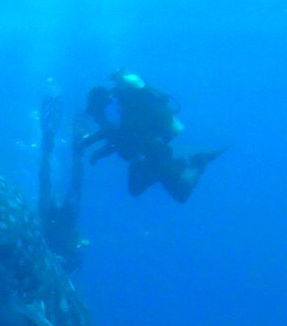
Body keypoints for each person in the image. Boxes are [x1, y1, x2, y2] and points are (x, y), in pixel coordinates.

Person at [81, 71, 226, 203]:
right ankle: (185, 164)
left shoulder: (120, 114)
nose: (96, 116)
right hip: (150, 155)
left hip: (154, 155)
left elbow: (116, 135)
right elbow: (117, 139)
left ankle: (198, 161)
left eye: (95, 108)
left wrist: (90, 145)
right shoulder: (124, 114)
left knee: (181, 191)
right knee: (169, 191)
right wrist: (98, 152)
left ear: (100, 102)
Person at [37, 94, 89, 273]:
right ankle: (66, 147)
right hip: (59, 226)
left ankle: (56, 146)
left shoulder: (51, 264)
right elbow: (77, 255)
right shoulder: (63, 267)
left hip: (51, 226)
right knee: (52, 186)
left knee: (65, 187)